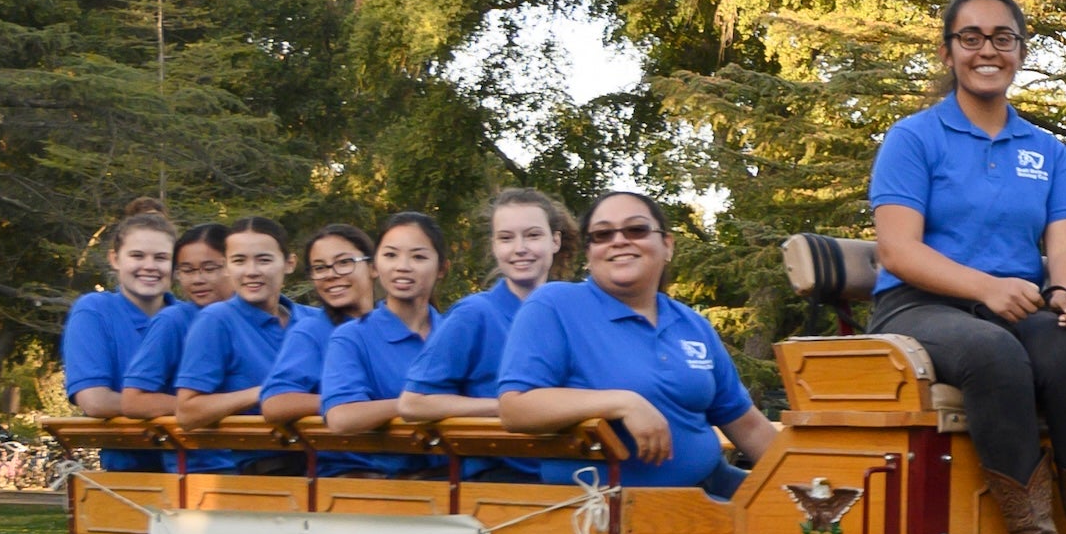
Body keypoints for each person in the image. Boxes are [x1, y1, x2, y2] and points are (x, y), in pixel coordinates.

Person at [863, 0, 1066, 534]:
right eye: (970, 38)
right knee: (994, 354)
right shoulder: (914, 138)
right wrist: (984, 287)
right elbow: (897, 250)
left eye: (1003, 38)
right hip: (918, 306)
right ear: (948, 54)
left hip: (1015, 302)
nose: (987, 50)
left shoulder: (1046, 150)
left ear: (1021, 52)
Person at [495, 190, 776, 495]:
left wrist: (804, 481)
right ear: (589, 254)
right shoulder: (555, 305)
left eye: (636, 229)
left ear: (667, 245)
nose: (619, 240)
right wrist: (623, 403)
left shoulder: (692, 324)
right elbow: (516, 408)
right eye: (603, 234)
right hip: (611, 510)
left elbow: (747, 426)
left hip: (713, 486)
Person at [401, 189, 572, 480]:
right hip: (500, 478)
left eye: (532, 235)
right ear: (494, 245)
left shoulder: (573, 311)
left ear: (555, 241)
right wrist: (507, 408)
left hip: (574, 470)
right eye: (506, 238)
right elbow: (414, 402)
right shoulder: (474, 314)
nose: (520, 248)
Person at [171, 217, 326, 470]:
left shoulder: (316, 319)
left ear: (289, 263)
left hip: (333, 456)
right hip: (267, 466)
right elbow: (188, 412)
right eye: (239, 261)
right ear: (228, 267)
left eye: (263, 260)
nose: (251, 271)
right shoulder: (217, 321)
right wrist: (267, 393)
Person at [316, 213, 451, 476]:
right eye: (391, 255)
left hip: (460, 476)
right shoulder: (352, 337)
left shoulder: (455, 332)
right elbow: (341, 417)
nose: (403, 266)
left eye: (419, 257)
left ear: (442, 269)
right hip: (386, 484)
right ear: (375, 266)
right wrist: (414, 406)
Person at [59, 201, 183, 472]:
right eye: (137, 256)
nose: (149, 266)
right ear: (115, 259)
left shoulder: (195, 318)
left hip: (205, 468)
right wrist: (196, 409)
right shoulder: (95, 311)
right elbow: (95, 401)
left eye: (161, 258)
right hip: (130, 473)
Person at [256, 223, 375, 426]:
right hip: (348, 454)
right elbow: (275, 403)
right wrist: (344, 404)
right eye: (319, 268)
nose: (330, 274)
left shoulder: (394, 325)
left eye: (344, 262)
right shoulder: (312, 331)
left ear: (374, 267)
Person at [116, 219, 232, 416]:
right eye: (187, 271)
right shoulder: (173, 321)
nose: (197, 280)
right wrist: (206, 408)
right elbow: (134, 400)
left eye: (210, 269)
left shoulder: (284, 317)